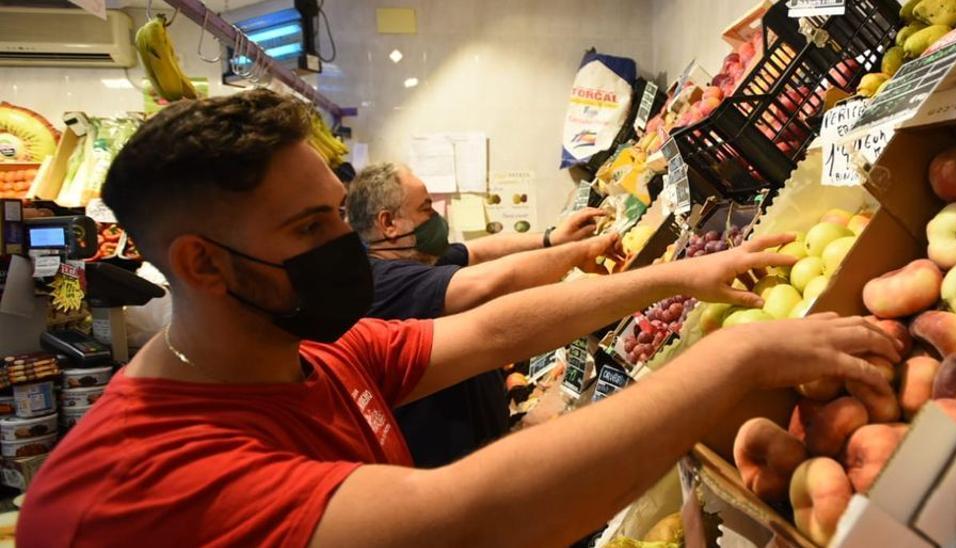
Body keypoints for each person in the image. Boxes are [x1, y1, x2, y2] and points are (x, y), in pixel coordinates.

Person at [17, 90, 898, 547]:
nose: (348, 248)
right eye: (311, 228)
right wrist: (733, 364)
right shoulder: (140, 486)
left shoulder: (307, 351)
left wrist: (677, 278)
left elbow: (496, 329)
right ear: (201, 262)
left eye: (338, 214)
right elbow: (468, 523)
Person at [347, 162, 619, 467]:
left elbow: (476, 251)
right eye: (425, 208)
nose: (435, 217)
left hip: (484, 442)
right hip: (451, 465)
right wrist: (579, 254)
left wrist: (552, 239)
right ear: (389, 223)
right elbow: (486, 284)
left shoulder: (419, 257)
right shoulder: (384, 280)